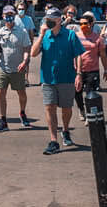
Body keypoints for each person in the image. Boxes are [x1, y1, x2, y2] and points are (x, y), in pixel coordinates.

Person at [28, 8, 83, 154]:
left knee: (66, 108)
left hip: (67, 77)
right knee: (49, 107)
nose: (49, 21)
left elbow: (78, 54)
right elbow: (33, 54)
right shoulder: (45, 36)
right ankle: (53, 140)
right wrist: (40, 36)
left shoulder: (70, 35)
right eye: (48, 18)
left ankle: (65, 130)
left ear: (60, 20)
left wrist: (79, 74)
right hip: (48, 78)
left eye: (52, 18)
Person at [0, 6, 33, 131]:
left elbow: (26, 48)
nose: (9, 16)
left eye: (11, 14)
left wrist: (25, 61)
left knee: (21, 93)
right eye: (6, 14)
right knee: (0, 92)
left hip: (18, 69)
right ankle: (3, 120)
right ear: (3, 16)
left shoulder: (22, 32)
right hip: (3, 68)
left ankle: (22, 113)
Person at [73, 12, 104, 115]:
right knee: (77, 93)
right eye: (80, 24)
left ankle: (89, 113)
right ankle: (81, 110)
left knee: (90, 94)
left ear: (91, 24)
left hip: (92, 70)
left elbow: (103, 55)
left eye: (85, 23)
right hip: (78, 70)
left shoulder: (97, 38)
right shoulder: (75, 36)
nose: (82, 26)